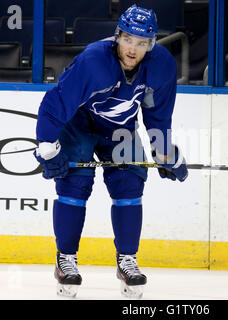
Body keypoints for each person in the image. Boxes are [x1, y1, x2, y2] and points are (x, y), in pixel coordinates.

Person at [34, 4, 188, 299]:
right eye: (128, 39)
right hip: (79, 122)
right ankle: (66, 259)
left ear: (151, 44)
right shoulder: (94, 61)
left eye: (142, 43)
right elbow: (55, 106)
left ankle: (127, 259)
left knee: (130, 182)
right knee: (74, 182)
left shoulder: (162, 67)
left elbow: (158, 118)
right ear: (118, 35)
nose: (133, 48)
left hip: (121, 129)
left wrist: (167, 155)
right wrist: (48, 148)